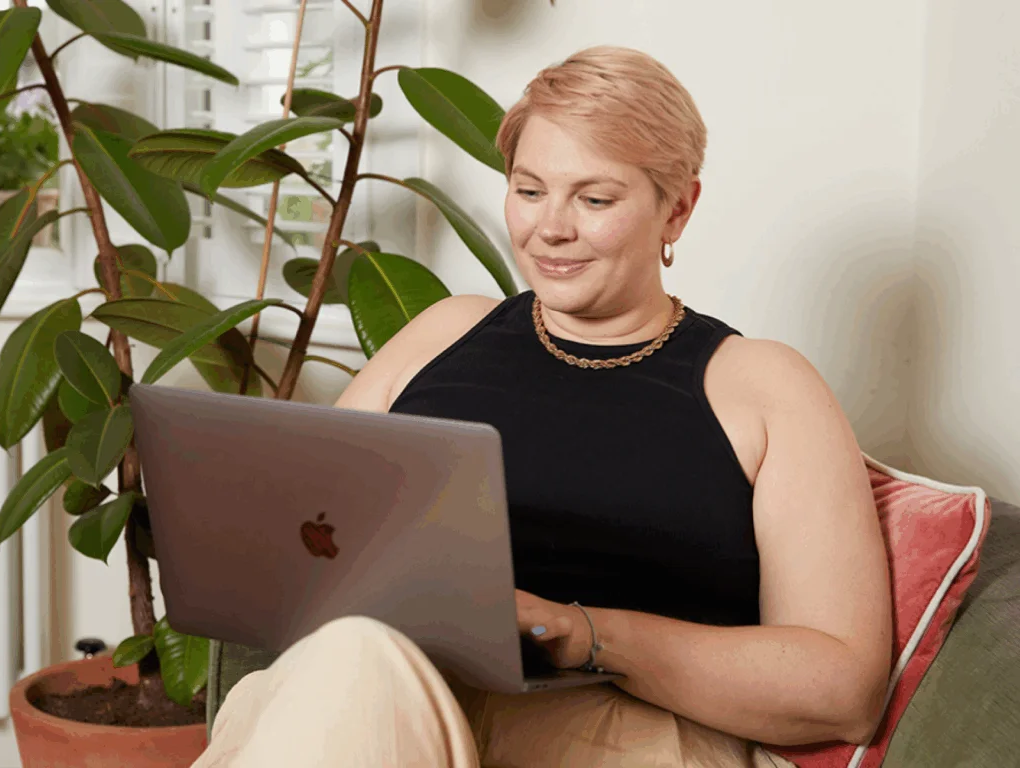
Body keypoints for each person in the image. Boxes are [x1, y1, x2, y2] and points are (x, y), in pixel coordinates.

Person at [194, 45, 893, 767]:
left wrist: (577, 632)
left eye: (594, 200)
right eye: (529, 192)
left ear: (677, 208)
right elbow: (303, 530)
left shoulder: (761, 386)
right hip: (384, 694)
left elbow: (843, 688)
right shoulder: (443, 331)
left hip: (618, 733)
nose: (550, 229)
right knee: (355, 658)